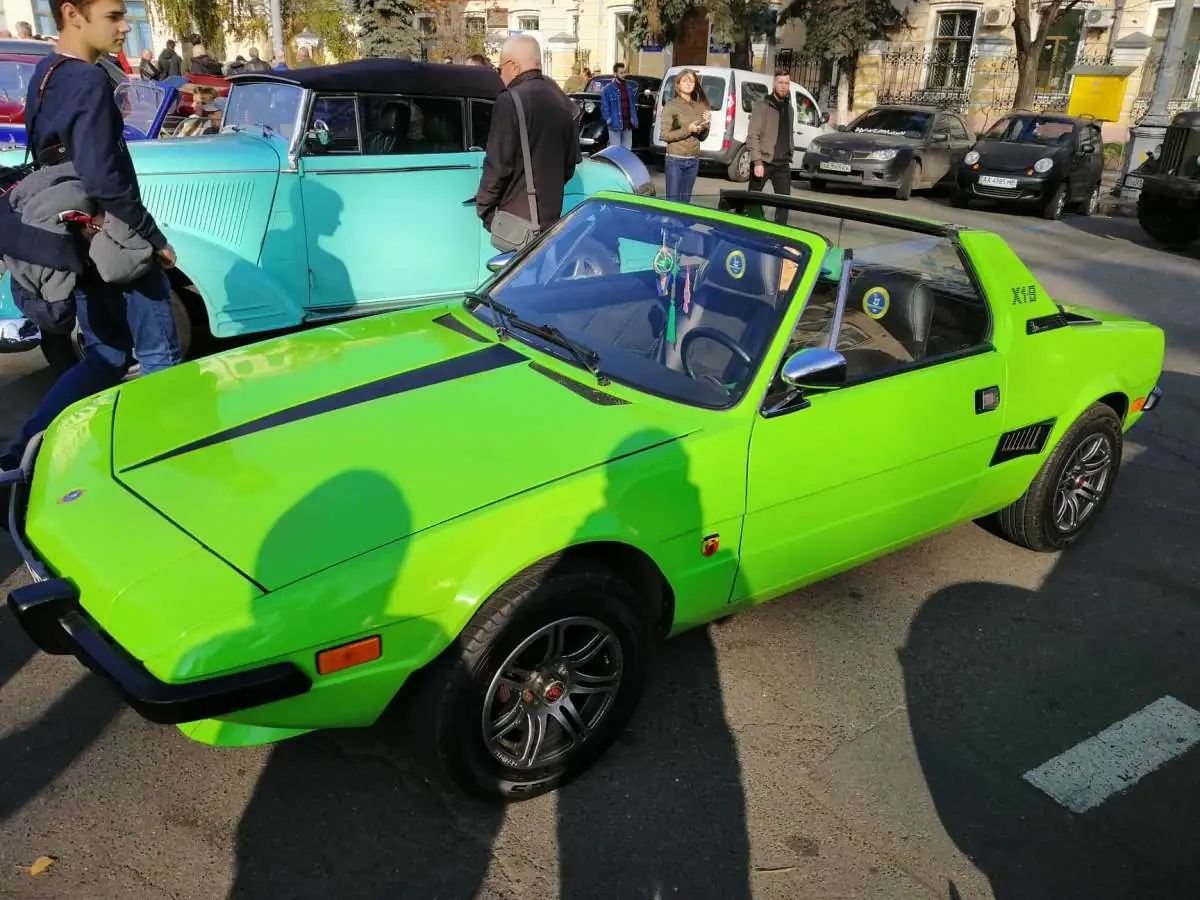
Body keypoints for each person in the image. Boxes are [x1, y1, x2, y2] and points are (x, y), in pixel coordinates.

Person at [0, 0, 181, 486]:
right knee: (160, 355)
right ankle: (166, 467)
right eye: (114, 16)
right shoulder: (88, 80)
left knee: (106, 356)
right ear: (72, 13)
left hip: (77, 237)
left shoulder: (45, 74)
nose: (125, 28)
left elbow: (54, 163)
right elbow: (103, 176)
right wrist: (154, 238)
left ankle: (21, 456)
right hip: (116, 237)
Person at [475, 34, 577, 246]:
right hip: (551, 217)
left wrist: (484, 208)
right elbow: (569, 165)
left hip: (516, 222)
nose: (500, 75)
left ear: (513, 66)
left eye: (500, 68)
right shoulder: (561, 99)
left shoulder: (510, 99)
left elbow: (498, 165)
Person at [746, 68, 795, 225]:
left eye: (786, 83)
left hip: (783, 164)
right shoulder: (762, 106)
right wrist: (757, 162)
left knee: (784, 204)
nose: (783, 86)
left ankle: (780, 232)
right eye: (780, 82)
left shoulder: (789, 108)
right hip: (764, 161)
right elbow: (753, 135)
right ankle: (752, 228)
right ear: (774, 83)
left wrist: (790, 151)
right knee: (752, 200)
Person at [660, 67, 709, 203]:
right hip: (675, 160)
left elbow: (702, 137)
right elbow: (665, 135)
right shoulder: (671, 106)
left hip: (693, 160)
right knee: (673, 202)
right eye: (685, 81)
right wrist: (688, 129)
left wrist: (706, 125)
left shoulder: (699, 106)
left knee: (685, 202)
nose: (688, 84)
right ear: (678, 84)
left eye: (691, 81)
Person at [600, 62, 637, 150]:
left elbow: (632, 106)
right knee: (616, 151)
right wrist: (609, 120)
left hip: (628, 125)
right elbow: (604, 107)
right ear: (615, 74)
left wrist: (634, 119)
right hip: (615, 125)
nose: (624, 75)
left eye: (624, 72)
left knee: (627, 151)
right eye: (621, 73)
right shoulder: (607, 89)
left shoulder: (629, 88)